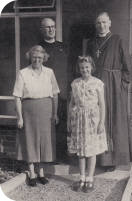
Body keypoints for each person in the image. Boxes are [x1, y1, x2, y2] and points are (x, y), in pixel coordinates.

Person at [86, 12, 132, 171]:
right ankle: (98, 159)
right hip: (95, 86)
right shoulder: (91, 42)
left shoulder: (118, 39)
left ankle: (112, 161)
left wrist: (121, 87)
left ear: (110, 23)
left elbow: (127, 67)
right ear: (95, 25)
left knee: (113, 120)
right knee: (97, 119)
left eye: (104, 22)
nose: (101, 25)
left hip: (113, 86)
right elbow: (86, 65)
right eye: (98, 23)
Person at [13, 45, 60, 187]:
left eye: (40, 57)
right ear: (30, 57)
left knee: (44, 142)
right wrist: (20, 117)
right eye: (34, 57)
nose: (37, 60)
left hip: (46, 110)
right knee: (30, 140)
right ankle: (32, 173)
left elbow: (55, 94)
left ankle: (41, 173)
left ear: (44, 58)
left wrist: (55, 113)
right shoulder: (23, 73)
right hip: (29, 111)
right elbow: (17, 97)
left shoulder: (49, 72)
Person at [67, 56, 107, 193]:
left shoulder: (97, 83)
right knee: (81, 151)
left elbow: (102, 104)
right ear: (79, 69)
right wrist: (69, 120)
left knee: (91, 150)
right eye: (82, 68)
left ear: (91, 68)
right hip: (78, 120)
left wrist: (101, 122)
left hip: (92, 120)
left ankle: (90, 178)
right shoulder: (75, 83)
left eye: (87, 67)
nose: (85, 70)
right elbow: (71, 103)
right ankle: (82, 178)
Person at [39, 17, 68, 161]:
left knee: (62, 126)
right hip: (47, 94)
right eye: (47, 27)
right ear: (42, 29)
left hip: (63, 94)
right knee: (50, 126)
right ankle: (50, 157)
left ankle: (62, 156)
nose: (51, 29)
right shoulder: (39, 49)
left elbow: (68, 70)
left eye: (53, 26)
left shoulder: (62, 47)